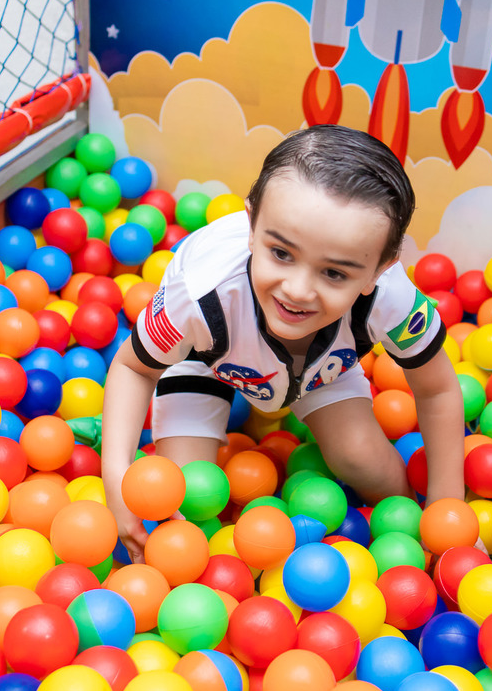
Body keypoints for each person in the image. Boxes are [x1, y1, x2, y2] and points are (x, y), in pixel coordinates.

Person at [102, 124, 464, 561]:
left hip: (321, 367)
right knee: (188, 497)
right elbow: (133, 367)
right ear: (252, 226)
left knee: (365, 461)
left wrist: (447, 509)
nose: (297, 290)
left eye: (334, 273)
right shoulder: (200, 297)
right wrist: (117, 479)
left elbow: (437, 386)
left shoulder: (394, 302)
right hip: (204, 357)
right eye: (281, 253)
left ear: (380, 270)